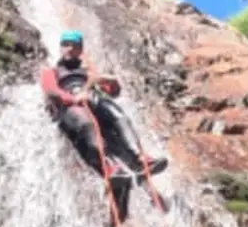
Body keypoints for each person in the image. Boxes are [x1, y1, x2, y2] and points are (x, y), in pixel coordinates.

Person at [40, 30, 168, 184]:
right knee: (86, 123)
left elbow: (112, 92)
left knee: (117, 114)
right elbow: (51, 91)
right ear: (60, 48)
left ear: (80, 50)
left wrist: (112, 83)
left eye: (74, 46)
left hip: (92, 102)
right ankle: (109, 166)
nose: (70, 49)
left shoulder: (88, 72)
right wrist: (73, 98)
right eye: (66, 45)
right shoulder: (51, 72)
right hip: (68, 109)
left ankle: (139, 158)